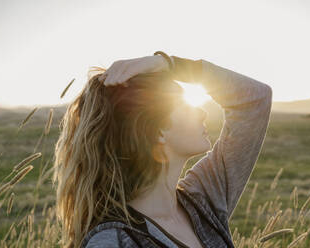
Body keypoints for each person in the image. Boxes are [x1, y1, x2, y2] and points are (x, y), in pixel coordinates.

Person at [53, 51, 273, 248]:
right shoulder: (112, 241)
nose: (202, 113)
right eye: (185, 106)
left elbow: (255, 99)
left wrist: (169, 65)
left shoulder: (202, 200)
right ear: (157, 131)